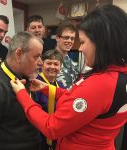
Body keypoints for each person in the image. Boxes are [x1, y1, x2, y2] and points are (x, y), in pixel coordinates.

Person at [10, 5, 127, 150]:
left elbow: (51, 127)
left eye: (83, 42)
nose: (79, 48)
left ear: (102, 42)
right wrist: (49, 89)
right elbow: (85, 100)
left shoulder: (101, 84)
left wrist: (22, 95)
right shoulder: (117, 76)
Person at [35, 49, 63, 150]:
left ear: (60, 67)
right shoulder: (35, 85)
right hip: (38, 138)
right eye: (49, 63)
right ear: (42, 64)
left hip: (56, 137)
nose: (52, 67)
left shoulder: (60, 86)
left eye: (56, 64)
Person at [55, 22, 79, 89]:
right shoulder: (47, 60)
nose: (69, 41)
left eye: (72, 38)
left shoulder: (75, 65)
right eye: (66, 37)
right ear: (57, 38)